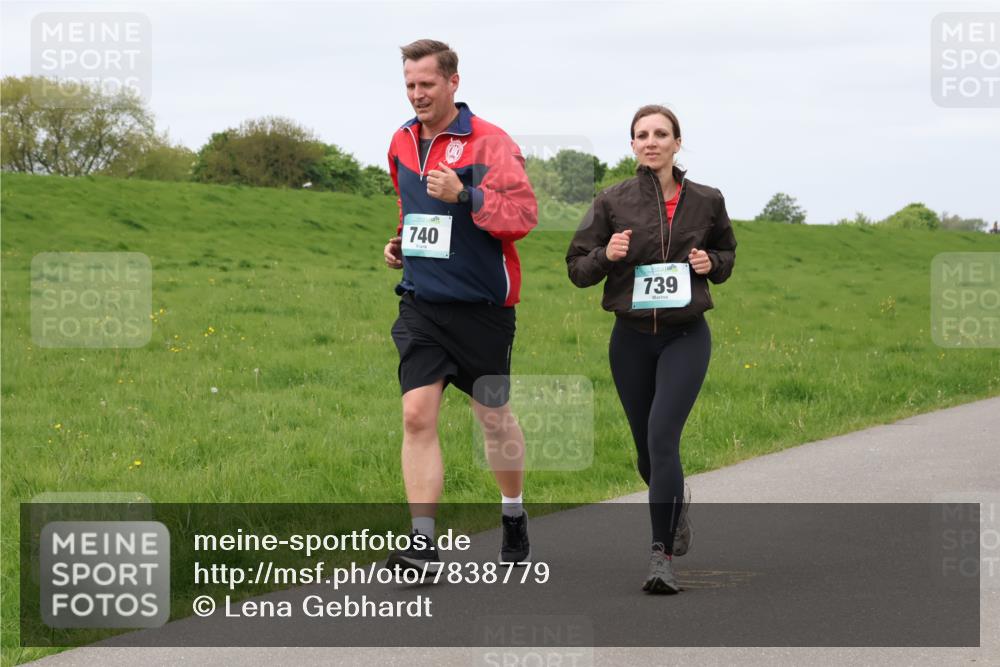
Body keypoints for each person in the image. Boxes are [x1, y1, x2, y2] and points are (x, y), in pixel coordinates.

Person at [566, 105, 736, 594]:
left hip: (686, 335)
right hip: (631, 339)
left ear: (677, 143)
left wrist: (711, 263)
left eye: (662, 134)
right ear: (633, 145)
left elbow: (727, 255)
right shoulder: (612, 201)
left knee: (663, 436)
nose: (652, 141)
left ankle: (659, 556)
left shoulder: (707, 200)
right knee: (646, 451)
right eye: (642, 135)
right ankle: (675, 504)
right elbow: (577, 268)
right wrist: (606, 255)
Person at [382, 39, 538, 573]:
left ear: (453, 82)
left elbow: (522, 215)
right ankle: (423, 543)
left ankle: (513, 512)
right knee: (415, 414)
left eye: (427, 84)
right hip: (423, 305)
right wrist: (401, 243)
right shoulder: (401, 142)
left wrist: (466, 197)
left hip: (483, 309)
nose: (417, 94)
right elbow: (412, 210)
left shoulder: (491, 143)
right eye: (410, 85)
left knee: (493, 419)